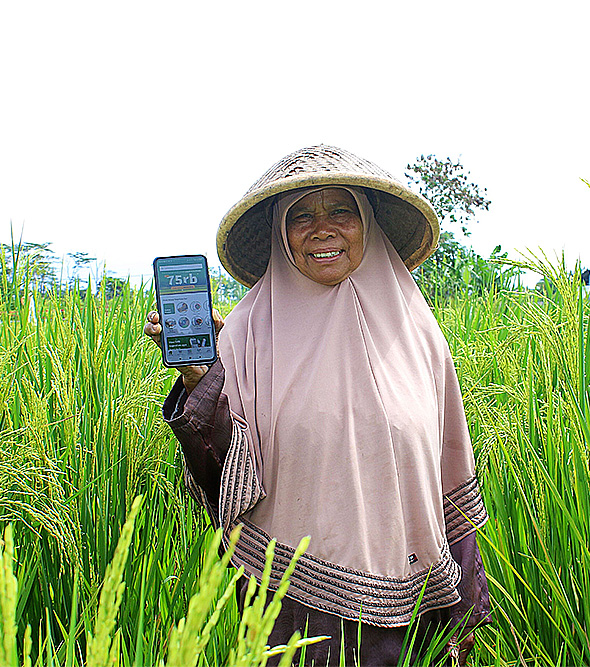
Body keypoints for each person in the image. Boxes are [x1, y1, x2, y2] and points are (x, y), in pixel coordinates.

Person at [144, 145, 489, 665]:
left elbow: (444, 476)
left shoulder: (419, 335)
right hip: (297, 607)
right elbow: (223, 483)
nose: (321, 229)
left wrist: (464, 601)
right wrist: (201, 379)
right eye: (301, 216)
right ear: (282, 236)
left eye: (340, 211)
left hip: (417, 605)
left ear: (367, 223)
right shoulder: (244, 335)